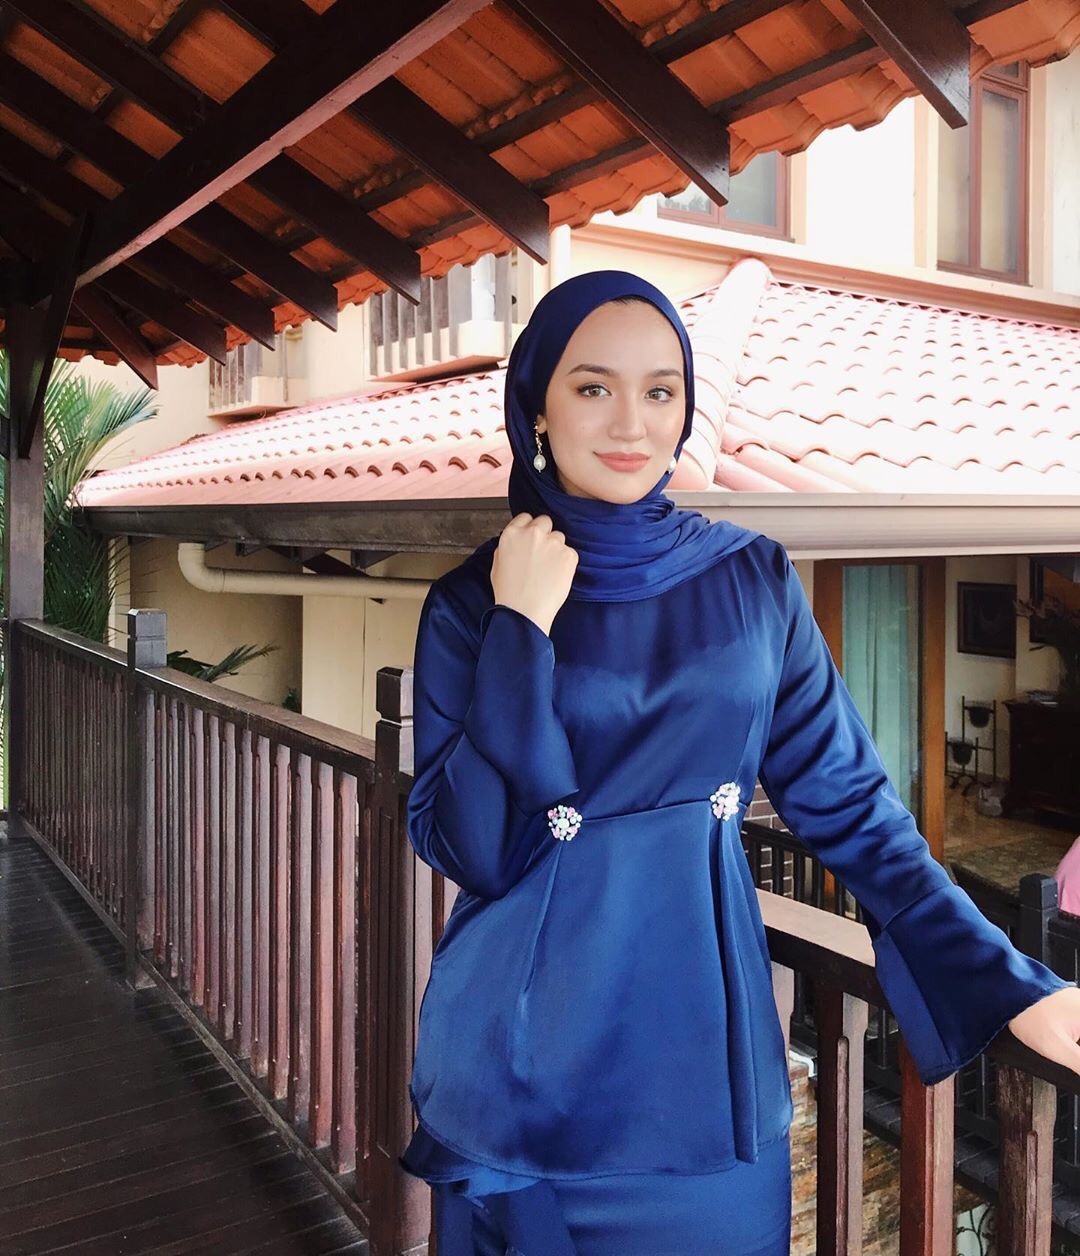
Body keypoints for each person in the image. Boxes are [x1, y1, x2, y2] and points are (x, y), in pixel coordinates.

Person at [397, 270, 1080, 1255]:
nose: (631, 422)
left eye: (660, 390)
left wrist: (1009, 982)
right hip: (521, 1073)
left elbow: (851, 804)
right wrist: (519, 630)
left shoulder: (752, 578)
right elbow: (469, 848)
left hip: (701, 1063)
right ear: (537, 406)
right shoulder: (472, 604)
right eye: (592, 387)